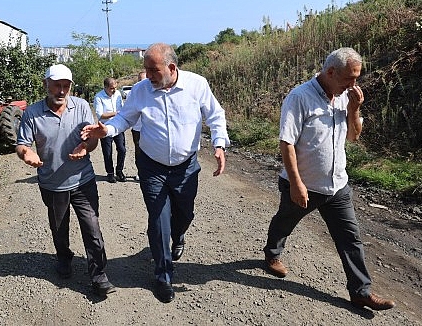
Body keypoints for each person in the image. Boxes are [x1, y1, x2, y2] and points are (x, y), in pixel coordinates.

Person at [81, 43, 229, 303]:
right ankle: (163, 276)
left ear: (171, 68)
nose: (148, 75)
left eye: (153, 70)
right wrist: (107, 130)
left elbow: (215, 115)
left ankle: (178, 234)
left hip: (186, 166)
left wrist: (219, 144)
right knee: (159, 218)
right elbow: (125, 118)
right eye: (146, 69)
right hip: (152, 167)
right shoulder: (140, 90)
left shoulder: (196, 85)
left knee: (184, 214)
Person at [262, 47, 395, 311]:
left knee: (350, 238)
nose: (353, 84)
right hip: (304, 184)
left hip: (337, 185)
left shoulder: (346, 97)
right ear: (331, 72)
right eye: (349, 78)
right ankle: (272, 254)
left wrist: (354, 110)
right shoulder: (299, 97)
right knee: (285, 221)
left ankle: (360, 291)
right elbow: (286, 143)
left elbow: (354, 136)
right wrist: (296, 183)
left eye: (356, 78)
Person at [16, 64, 116, 298]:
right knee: (59, 229)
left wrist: (86, 147)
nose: (61, 91)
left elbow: (91, 139)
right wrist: (26, 154)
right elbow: (22, 144)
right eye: (56, 85)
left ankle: (99, 276)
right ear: (46, 85)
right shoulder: (32, 113)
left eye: (66, 86)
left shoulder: (81, 106)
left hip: (83, 180)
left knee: (92, 229)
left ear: (71, 87)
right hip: (52, 184)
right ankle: (63, 257)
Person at [93, 77, 126, 183]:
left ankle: (119, 171)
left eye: (115, 87)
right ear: (105, 87)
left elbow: (122, 108)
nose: (114, 90)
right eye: (112, 88)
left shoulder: (117, 95)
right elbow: (101, 114)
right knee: (108, 152)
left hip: (118, 126)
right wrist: (116, 113)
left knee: (122, 149)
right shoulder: (98, 97)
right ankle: (110, 173)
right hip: (105, 128)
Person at [129, 71, 146, 181]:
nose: (142, 82)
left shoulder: (154, 90)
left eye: (144, 80)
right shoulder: (134, 91)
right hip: (137, 128)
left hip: (150, 128)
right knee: (139, 151)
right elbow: (128, 111)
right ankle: (140, 172)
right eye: (140, 80)